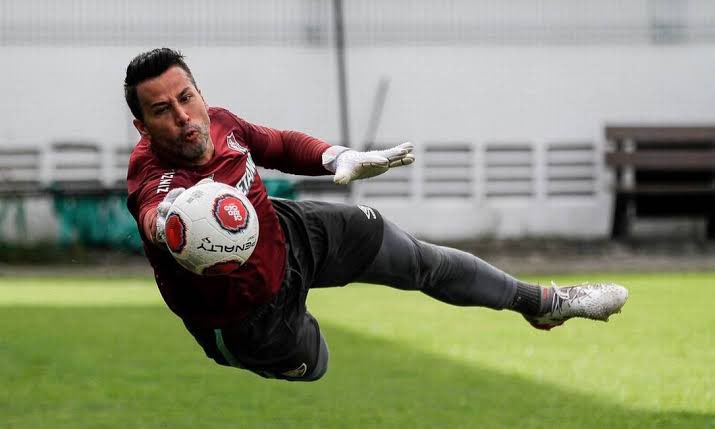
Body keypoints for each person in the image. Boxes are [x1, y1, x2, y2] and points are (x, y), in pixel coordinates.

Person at [125, 48, 628, 382]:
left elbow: (275, 143)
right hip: (246, 319)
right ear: (142, 126)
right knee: (317, 364)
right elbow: (152, 211)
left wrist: (334, 156)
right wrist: (169, 224)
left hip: (288, 234)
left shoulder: (221, 123)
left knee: (415, 258)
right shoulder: (155, 178)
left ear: (200, 92)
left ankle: (542, 301)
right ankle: (288, 333)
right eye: (162, 109)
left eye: (186, 97)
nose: (183, 116)